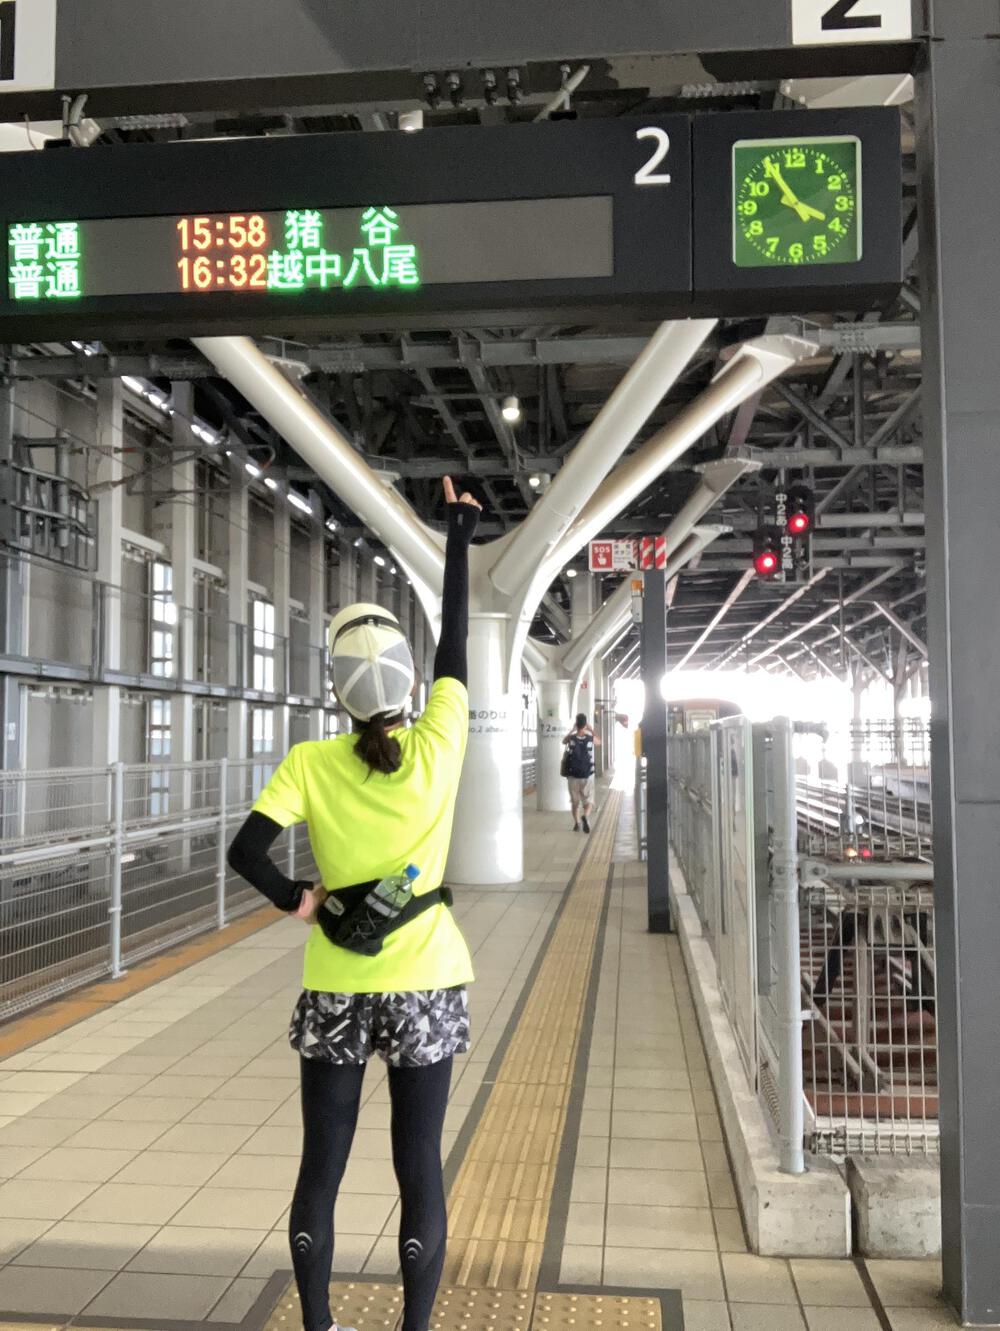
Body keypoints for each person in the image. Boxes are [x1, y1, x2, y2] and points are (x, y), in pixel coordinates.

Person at [227, 477, 482, 1331]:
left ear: (336, 688)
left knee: (319, 1169)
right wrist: (457, 533)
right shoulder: (441, 742)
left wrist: (304, 901)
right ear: (410, 680)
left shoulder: (309, 761)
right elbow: (457, 645)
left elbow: (245, 852)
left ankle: (317, 1325)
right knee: (419, 1167)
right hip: (427, 981)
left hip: (337, 984)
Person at [562, 712, 600, 833]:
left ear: (576, 724)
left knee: (575, 802)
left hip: (573, 776)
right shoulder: (589, 738)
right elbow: (599, 742)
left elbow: (564, 741)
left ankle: (577, 823)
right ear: (585, 725)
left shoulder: (572, 738)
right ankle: (586, 816)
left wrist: (573, 730)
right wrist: (591, 729)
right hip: (587, 774)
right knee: (588, 801)